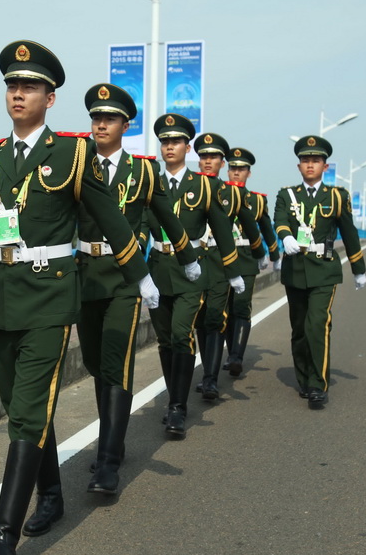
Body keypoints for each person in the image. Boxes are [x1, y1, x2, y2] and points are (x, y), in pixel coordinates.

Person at [0, 40, 160, 555]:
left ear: (50, 97)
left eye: (29, 87)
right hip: (0, 295)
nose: (17, 93)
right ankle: (51, 495)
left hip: (49, 296)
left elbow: (110, 217)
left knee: (26, 411)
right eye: (12, 86)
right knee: (23, 407)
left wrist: (140, 274)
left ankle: (3, 535)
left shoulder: (71, 155)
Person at [74, 84, 199, 495]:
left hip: (126, 279)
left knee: (116, 362)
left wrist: (188, 258)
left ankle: (109, 458)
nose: (100, 124)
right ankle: (113, 437)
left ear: (126, 125)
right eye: (95, 117)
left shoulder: (142, 171)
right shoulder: (76, 164)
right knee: (95, 363)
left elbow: (167, 215)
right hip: (83, 274)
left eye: (109, 118)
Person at [145, 115, 244, 438]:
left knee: (180, 333)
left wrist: (232, 271)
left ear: (188, 148)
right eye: (164, 141)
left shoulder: (203, 186)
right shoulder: (150, 182)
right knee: (164, 340)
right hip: (159, 268)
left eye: (175, 142)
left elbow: (222, 230)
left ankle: (177, 406)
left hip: (192, 272)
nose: (169, 147)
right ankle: (174, 396)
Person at [273, 135, 366, 410]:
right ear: (299, 166)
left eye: (316, 161)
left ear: (325, 166)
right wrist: (285, 236)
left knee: (318, 323)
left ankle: (318, 384)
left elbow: (349, 233)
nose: (310, 165)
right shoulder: (286, 195)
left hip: (324, 268)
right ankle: (303, 379)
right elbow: (279, 219)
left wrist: (358, 268)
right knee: (300, 328)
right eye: (305, 161)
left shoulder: (337, 196)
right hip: (295, 268)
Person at [192, 134, 262, 401]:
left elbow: (250, 223)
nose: (208, 161)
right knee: (200, 320)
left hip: (221, 264)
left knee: (214, 318)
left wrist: (259, 252)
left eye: (213, 157)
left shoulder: (230, 193)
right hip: (194, 263)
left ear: (222, 162)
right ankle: (207, 371)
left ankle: (209, 379)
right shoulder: (187, 187)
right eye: (203, 156)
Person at [222, 147, 281, 377]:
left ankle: (236, 356)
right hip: (221, 258)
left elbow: (267, 229)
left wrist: (274, 255)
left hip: (246, 258)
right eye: (233, 168)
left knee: (241, 305)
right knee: (223, 309)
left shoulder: (256, 201)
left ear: (249, 173)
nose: (236, 173)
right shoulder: (217, 194)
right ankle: (230, 353)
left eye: (241, 169)